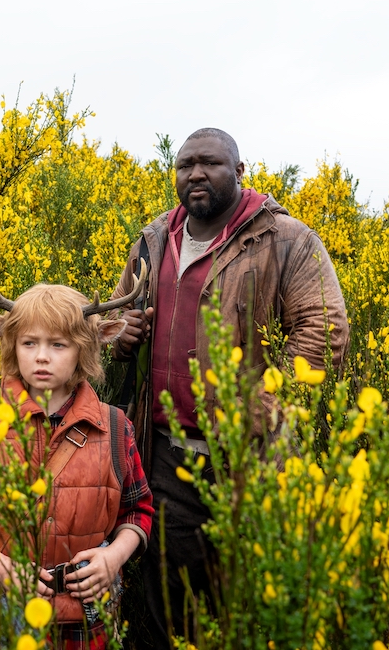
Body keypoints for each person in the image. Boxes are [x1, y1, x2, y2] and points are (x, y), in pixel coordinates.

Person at [110, 128, 350, 648]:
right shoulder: (153, 240)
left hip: (249, 456)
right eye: (185, 165)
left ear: (240, 171)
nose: (196, 173)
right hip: (166, 455)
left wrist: (262, 406)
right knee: (169, 601)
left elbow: (324, 328)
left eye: (211, 163)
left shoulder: (286, 238)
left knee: (245, 598)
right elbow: (116, 316)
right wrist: (121, 337)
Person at [0, 281, 154, 649]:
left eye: (58, 344)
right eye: (29, 343)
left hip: (83, 620)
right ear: (9, 343)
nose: (41, 357)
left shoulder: (115, 428)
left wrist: (113, 558)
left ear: (89, 345)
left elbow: (137, 512)